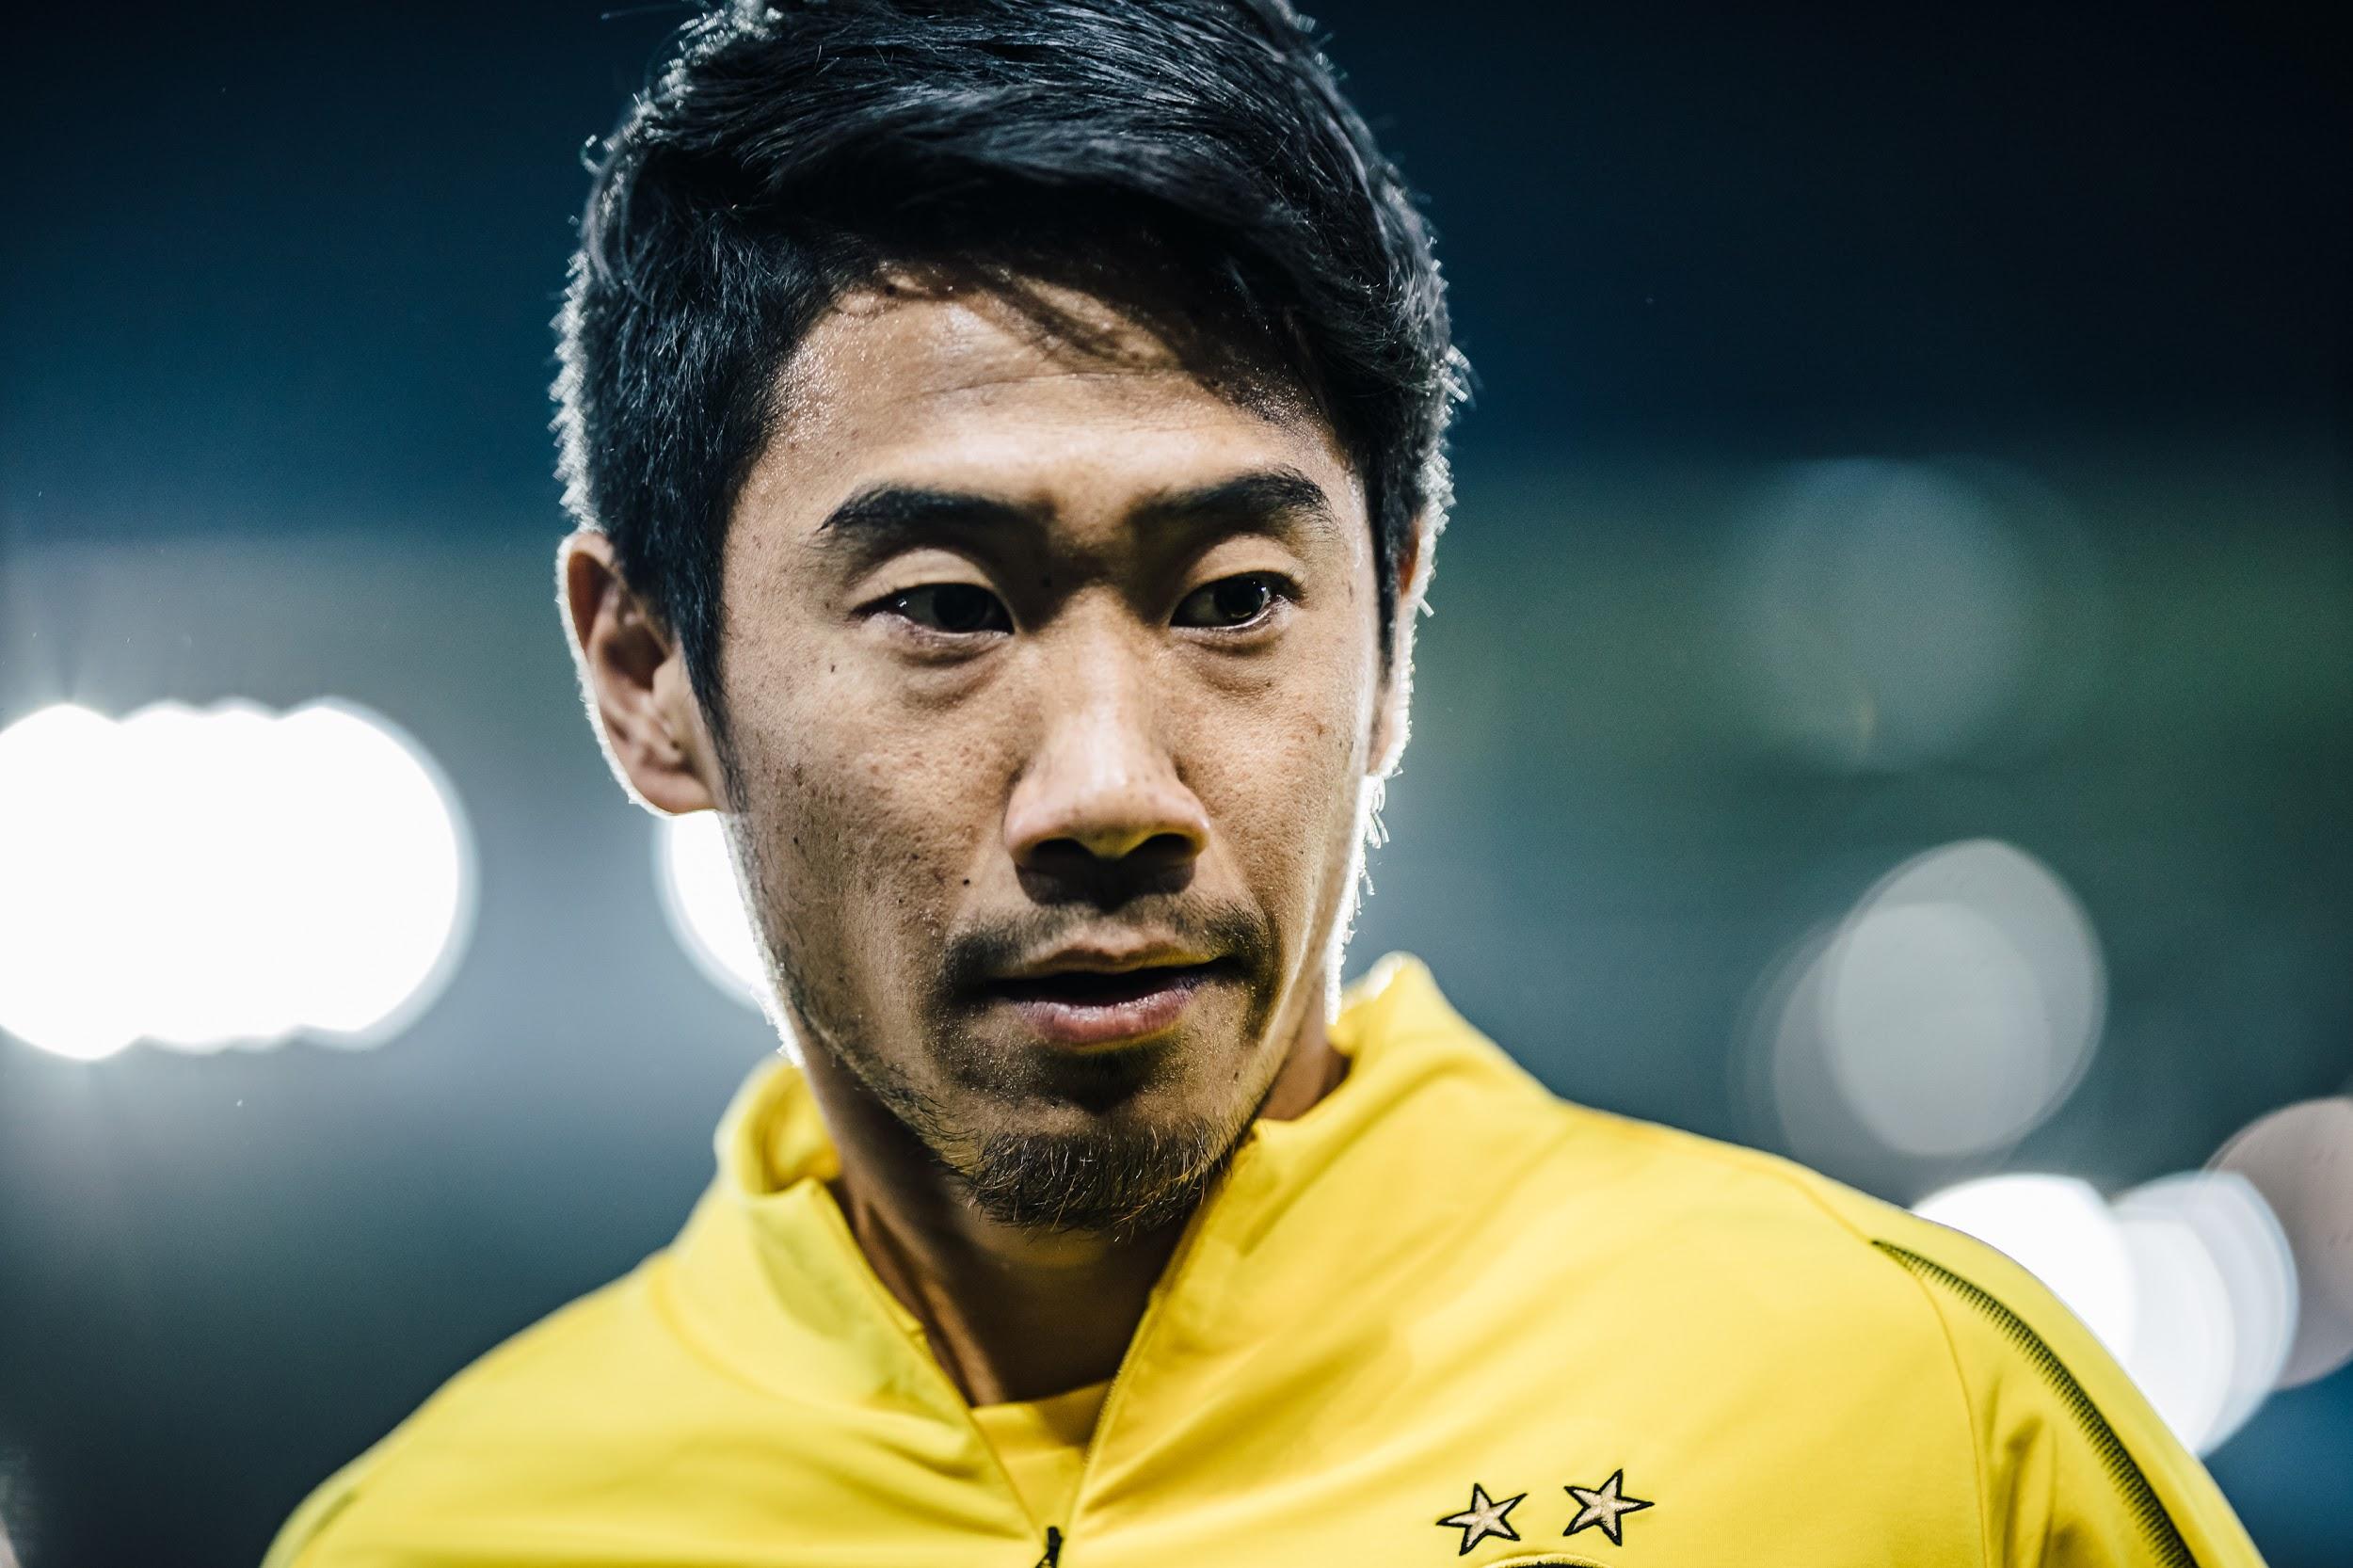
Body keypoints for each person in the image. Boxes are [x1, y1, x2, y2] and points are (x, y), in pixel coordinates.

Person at [264, 3, 2264, 1563]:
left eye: (1232, 597)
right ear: (646, 675)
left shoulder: (1907, 1418)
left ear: (1391, 634)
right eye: (945, 605)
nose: (1107, 786)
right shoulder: (437, 1537)